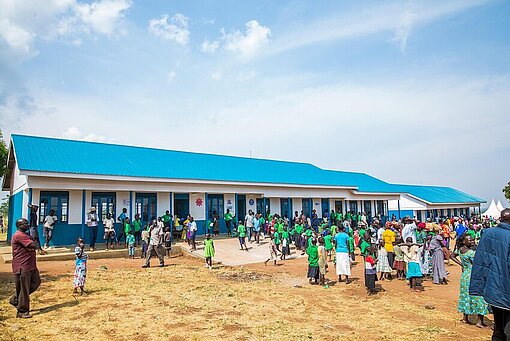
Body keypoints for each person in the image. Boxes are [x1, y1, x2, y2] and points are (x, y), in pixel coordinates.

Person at [470, 208, 510, 340]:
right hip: (506, 288)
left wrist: (479, 286)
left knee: (498, 326)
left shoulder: (487, 233)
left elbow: (480, 261)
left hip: (492, 288)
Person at [450, 235, 488, 328]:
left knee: (465, 296)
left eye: (472, 239)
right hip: (474, 275)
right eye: (470, 240)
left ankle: (465, 318)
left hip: (465, 275)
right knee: (479, 297)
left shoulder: (460, 250)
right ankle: (479, 321)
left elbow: (452, 256)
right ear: (464, 241)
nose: (472, 241)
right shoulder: (471, 253)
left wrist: (461, 264)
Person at [9, 218, 41, 318]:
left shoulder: (26, 234)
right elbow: (33, 245)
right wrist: (35, 244)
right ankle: (22, 311)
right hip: (22, 266)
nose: (27, 225)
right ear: (19, 226)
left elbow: (34, 245)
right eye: (25, 223)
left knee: (36, 282)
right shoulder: (19, 235)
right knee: (24, 288)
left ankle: (16, 299)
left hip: (30, 265)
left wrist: (34, 244)